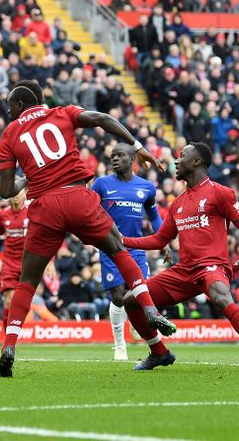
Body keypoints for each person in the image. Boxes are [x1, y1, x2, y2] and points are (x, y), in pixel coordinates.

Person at [0, 84, 175, 377]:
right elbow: (102, 119)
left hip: (45, 205)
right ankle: (149, 307)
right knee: (118, 249)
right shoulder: (63, 112)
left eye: (10, 105)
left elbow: (5, 190)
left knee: (27, 280)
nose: (8, 110)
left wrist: (26, 179)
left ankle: (9, 345)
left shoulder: (10, 134)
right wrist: (138, 146)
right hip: (78, 196)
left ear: (21, 104)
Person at [122, 143, 239, 373]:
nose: (176, 160)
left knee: (220, 295)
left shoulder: (220, 192)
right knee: (131, 299)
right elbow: (159, 240)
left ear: (196, 162)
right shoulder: (178, 203)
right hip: (184, 271)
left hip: (212, 266)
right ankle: (159, 353)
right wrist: (121, 241)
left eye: (182, 156)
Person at [91, 143, 163, 360]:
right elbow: (91, 210)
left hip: (137, 247)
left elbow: (154, 217)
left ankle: (135, 321)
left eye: (120, 155)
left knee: (141, 292)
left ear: (132, 159)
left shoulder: (146, 187)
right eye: (112, 156)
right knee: (119, 296)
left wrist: (164, 241)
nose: (114, 159)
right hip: (110, 247)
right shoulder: (101, 184)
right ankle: (119, 344)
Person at [0, 188, 32, 329]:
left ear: (25, 192)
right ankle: (7, 337)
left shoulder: (32, 211)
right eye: (12, 192)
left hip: (28, 262)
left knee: (22, 302)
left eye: (18, 192)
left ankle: (14, 333)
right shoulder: (3, 214)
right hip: (9, 262)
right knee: (9, 300)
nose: (15, 195)